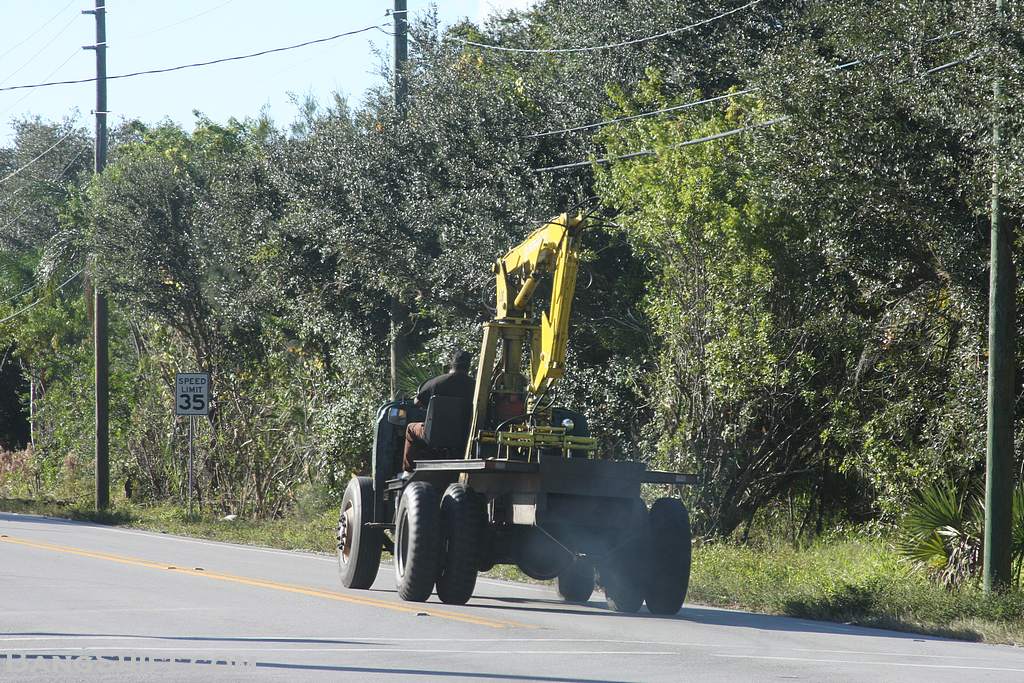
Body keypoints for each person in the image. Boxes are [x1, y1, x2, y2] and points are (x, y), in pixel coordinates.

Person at [402, 350, 475, 471]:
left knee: (410, 428)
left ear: (451, 363)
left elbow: (417, 402)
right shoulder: (475, 386)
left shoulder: (437, 382)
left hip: (434, 433)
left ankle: (408, 471)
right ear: (468, 366)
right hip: (464, 434)